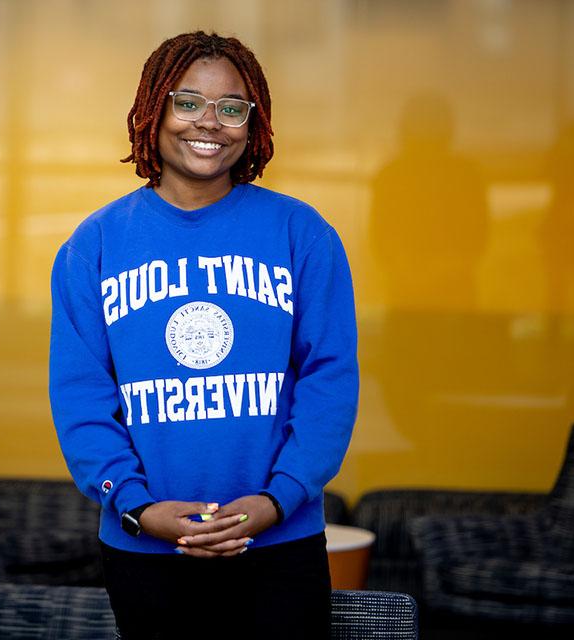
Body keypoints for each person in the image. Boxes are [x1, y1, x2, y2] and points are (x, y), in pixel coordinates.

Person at [49, 31, 358, 639]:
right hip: (146, 548)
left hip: (279, 544)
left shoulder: (303, 234)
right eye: (187, 102)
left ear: (253, 121)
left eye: (231, 107)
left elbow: (330, 381)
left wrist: (275, 501)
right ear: (153, 109)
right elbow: (81, 398)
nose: (208, 122)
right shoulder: (95, 246)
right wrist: (137, 507)